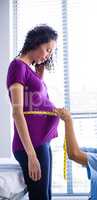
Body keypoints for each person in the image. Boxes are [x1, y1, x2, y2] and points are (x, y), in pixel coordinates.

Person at [6, 24, 59, 200]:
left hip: (42, 141)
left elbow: (35, 101)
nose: (49, 54)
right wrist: (31, 155)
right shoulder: (17, 66)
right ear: (36, 43)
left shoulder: (29, 69)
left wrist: (39, 76)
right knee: (40, 197)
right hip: (32, 145)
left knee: (46, 195)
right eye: (47, 49)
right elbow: (17, 112)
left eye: (51, 52)